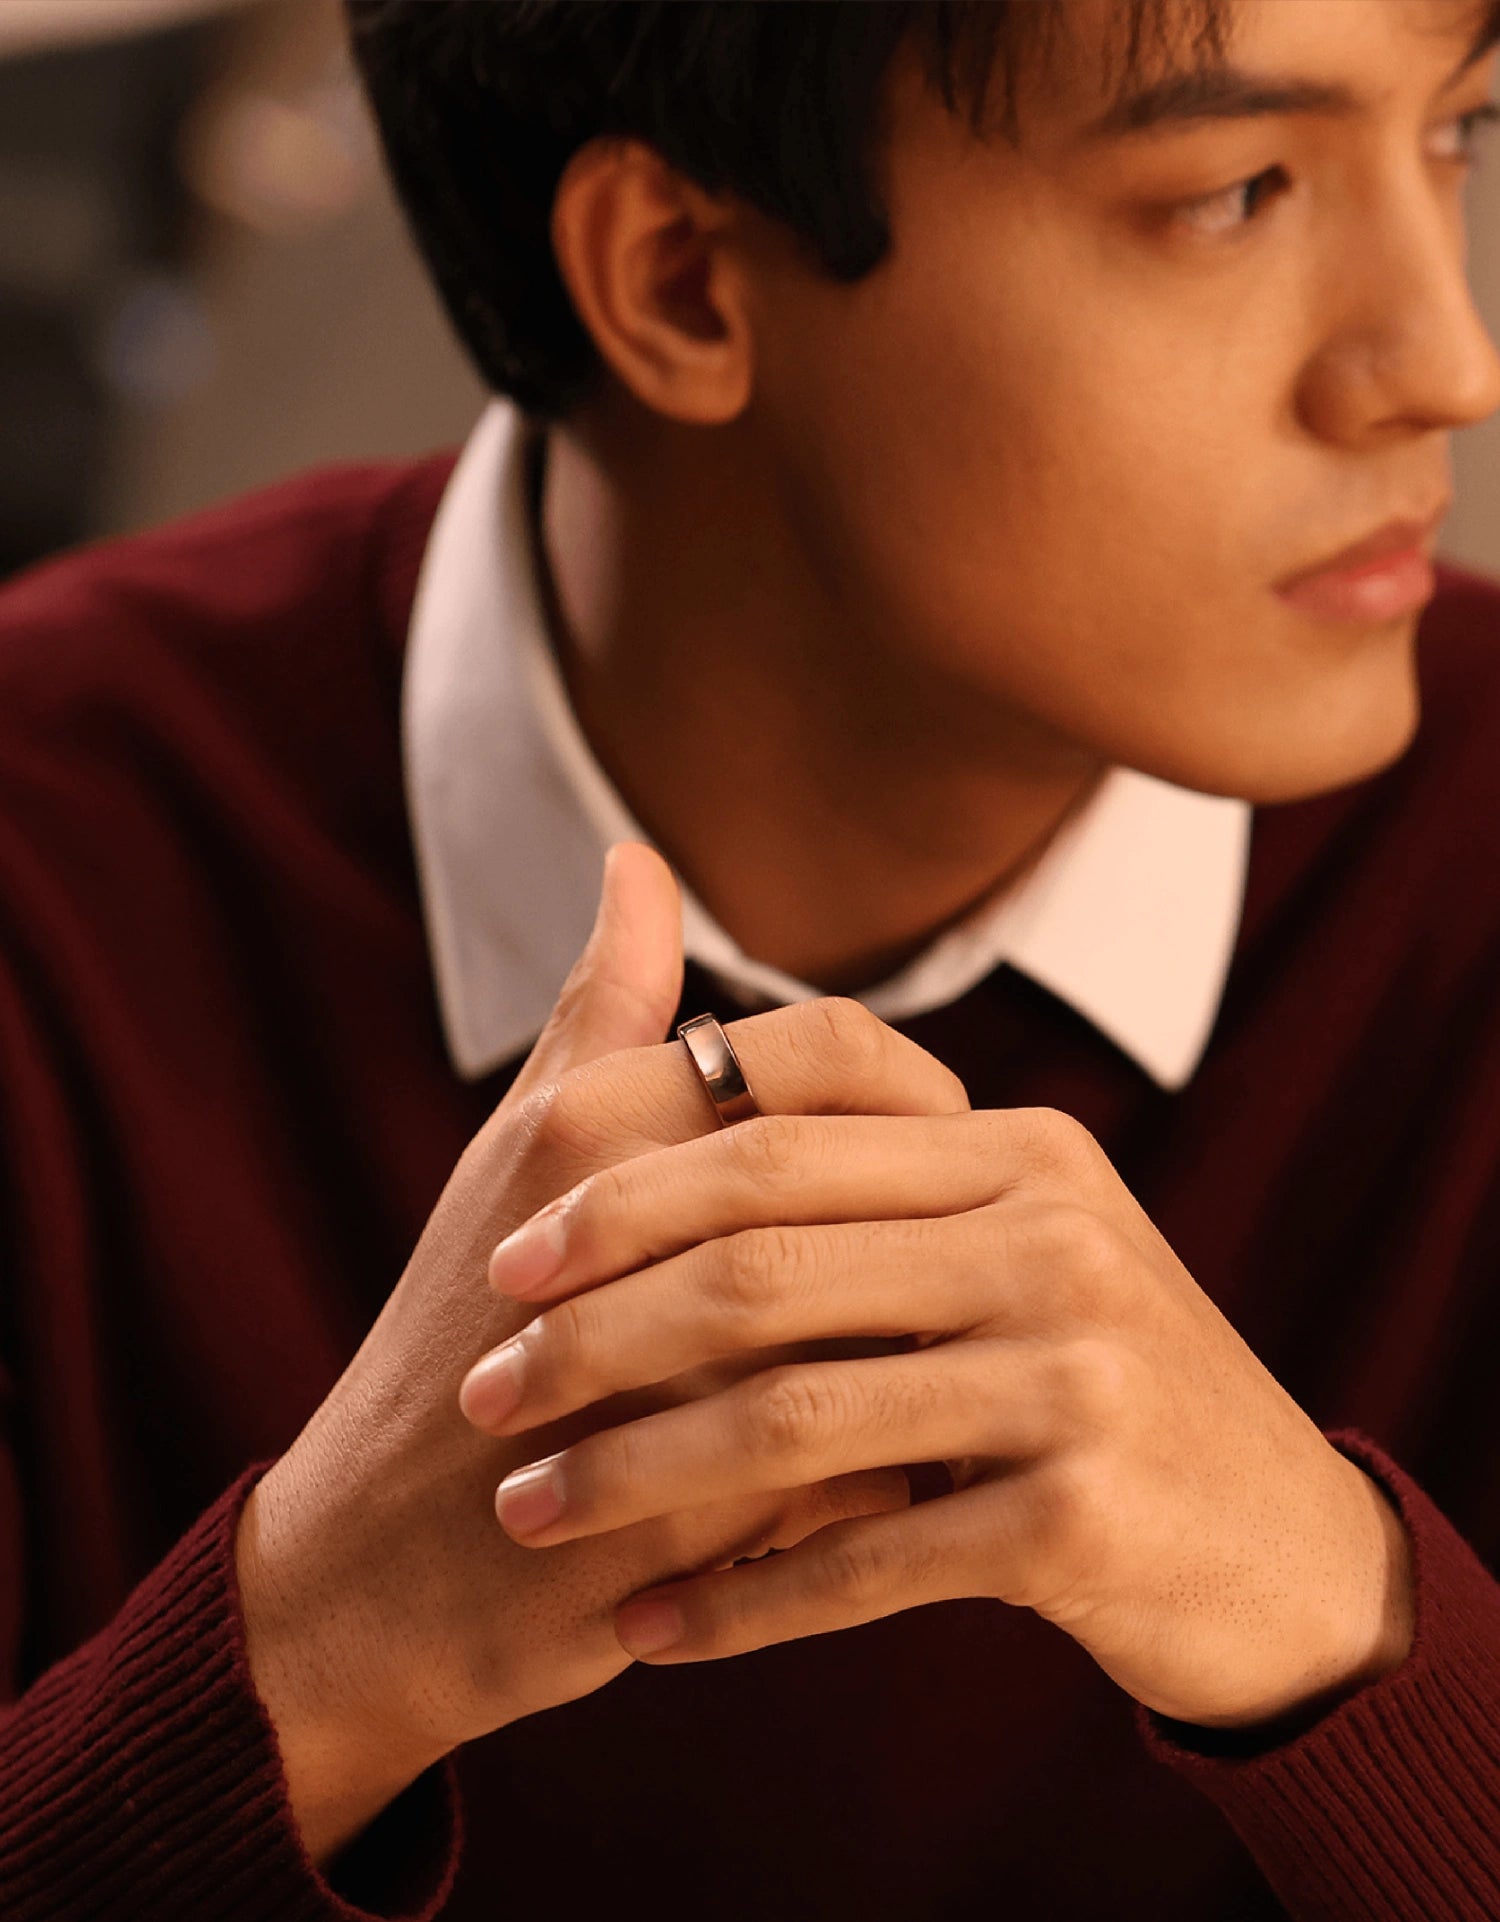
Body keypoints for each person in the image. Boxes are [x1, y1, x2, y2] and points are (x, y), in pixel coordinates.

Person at [2, 0, 1500, 1914]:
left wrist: (1346, 1621)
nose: (1445, 360)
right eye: (1235, 190)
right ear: (682, 282)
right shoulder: (46, 859)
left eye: (1459, 130)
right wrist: (304, 1650)